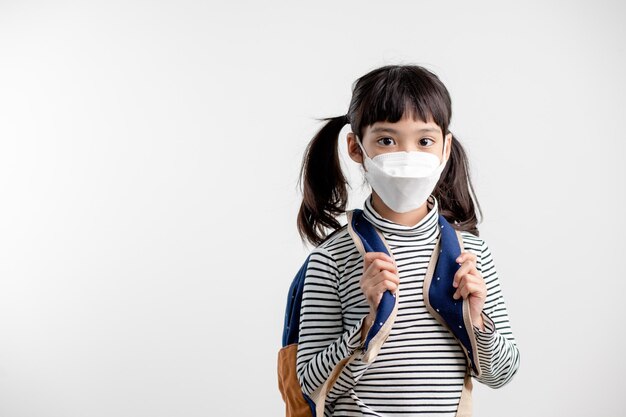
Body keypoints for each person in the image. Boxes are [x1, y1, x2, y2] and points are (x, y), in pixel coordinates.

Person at [294, 64, 520, 416]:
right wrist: (368, 324)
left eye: (424, 141)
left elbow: (501, 375)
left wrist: (477, 324)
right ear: (356, 147)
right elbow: (309, 385)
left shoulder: (470, 253)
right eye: (387, 140)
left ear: (445, 148)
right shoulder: (331, 259)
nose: (408, 154)